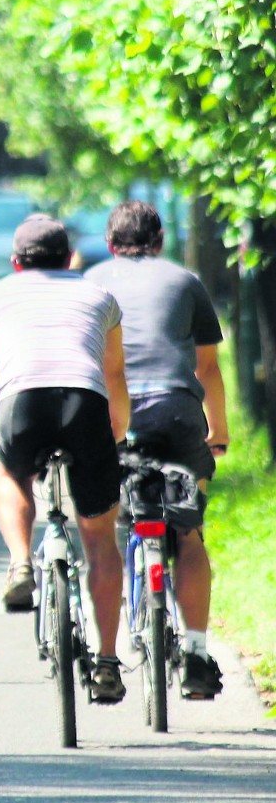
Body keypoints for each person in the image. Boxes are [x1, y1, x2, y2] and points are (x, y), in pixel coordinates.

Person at [0, 213, 131, 704]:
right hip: (84, 402)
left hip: (21, 404)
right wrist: (117, 433)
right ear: (69, 259)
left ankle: (21, 563)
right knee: (100, 539)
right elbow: (115, 372)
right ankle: (106, 660)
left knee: (12, 472)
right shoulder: (99, 296)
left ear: (17, 262)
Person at [85, 200, 229, 700]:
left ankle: (111, 648)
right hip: (176, 410)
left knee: (111, 520)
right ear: (161, 239)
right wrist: (219, 432)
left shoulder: (91, 282)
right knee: (189, 533)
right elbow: (206, 368)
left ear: (109, 242)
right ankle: (194, 652)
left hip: (114, 413)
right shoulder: (185, 280)